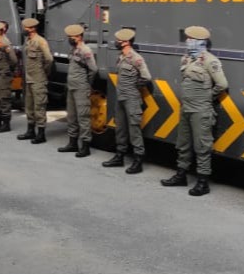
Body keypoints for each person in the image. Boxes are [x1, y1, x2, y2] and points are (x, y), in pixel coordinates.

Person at [161, 26, 229, 196]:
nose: (187, 42)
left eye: (190, 39)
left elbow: (222, 84)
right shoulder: (187, 59)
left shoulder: (210, 60)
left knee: (202, 146)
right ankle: (181, 175)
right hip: (186, 108)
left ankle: (202, 182)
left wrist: (207, 97)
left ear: (200, 41)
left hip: (201, 110)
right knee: (183, 144)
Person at [103, 28, 151, 174]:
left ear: (126, 42)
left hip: (131, 98)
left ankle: (138, 160)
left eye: (118, 41)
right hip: (121, 98)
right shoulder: (121, 57)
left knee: (134, 129)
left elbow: (146, 77)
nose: (116, 42)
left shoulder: (136, 58)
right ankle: (119, 156)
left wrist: (135, 86)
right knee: (120, 128)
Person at [57, 24, 98, 158]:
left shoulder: (85, 50)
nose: (70, 39)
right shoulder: (73, 49)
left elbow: (93, 69)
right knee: (72, 116)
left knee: (83, 118)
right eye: (69, 37)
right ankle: (72, 143)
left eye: (72, 37)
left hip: (81, 88)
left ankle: (85, 146)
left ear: (79, 36)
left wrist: (88, 84)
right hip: (71, 87)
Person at [17, 17, 53, 144]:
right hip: (28, 79)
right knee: (29, 106)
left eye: (26, 28)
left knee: (39, 107)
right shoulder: (28, 41)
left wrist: (43, 72)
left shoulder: (40, 41)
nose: (24, 30)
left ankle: (41, 134)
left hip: (38, 79)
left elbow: (49, 59)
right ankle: (30, 131)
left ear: (32, 28)